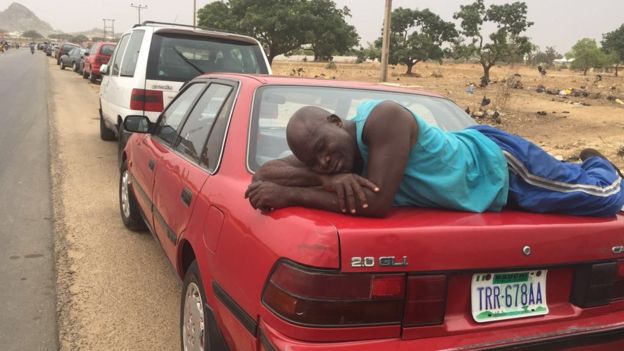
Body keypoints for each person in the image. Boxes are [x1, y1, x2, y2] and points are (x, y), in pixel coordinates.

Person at [246, 100, 624, 218]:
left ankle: (600, 163)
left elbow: (376, 203)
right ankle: (578, 166)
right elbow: (265, 172)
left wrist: (292, 194)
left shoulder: (383, 119)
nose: (325, 160)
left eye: (324, 147)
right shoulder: (334, 163)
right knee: (564, 179)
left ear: (334, 120)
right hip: (483, 182)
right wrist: (326, 181)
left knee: (600, 197)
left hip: (498, 164)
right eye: (314, 159)